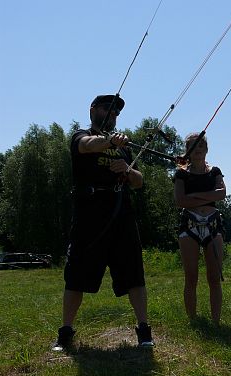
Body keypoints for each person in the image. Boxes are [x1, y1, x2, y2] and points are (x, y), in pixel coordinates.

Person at [52, 94, 154, 351]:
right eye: (107, 110)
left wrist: (127, 170)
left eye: (116, 113)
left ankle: (143, 330)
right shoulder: (80, 135)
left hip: (121, 215)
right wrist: (108, 140)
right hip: (89, 216)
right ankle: (65, 332)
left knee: (134, 274)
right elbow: (86, 146)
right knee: (76, 275)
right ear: (93, 110)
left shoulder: (124, 147)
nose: (112, 115)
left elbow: (140, 182)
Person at [173, 133, 226, 325]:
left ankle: (216, 322)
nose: (198, 149)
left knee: (214, 276)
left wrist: (195, 195)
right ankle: (193, 321)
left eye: (201, 146)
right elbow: (180, 201)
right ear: (188, 150)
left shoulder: (215, 171)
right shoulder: (181, 173)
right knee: (191, 277)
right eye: (194, 147)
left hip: (213, 224)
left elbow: (222, 193)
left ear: (207, 148)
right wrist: (208, 196)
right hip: (190, 225)